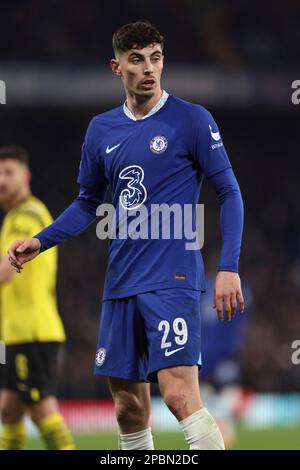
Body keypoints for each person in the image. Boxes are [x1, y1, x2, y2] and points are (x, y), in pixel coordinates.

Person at [7, 21, 244, 450]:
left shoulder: (191, 119)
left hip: (172, 278)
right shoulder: (101, 130)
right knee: (128, 409)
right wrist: (41, 240)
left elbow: (229, 191)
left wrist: (228, 267)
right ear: (117, 67)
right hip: (120, 283)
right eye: (137, 59)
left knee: (178, 394)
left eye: (156, 58)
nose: (149, 68)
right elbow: (86, 203)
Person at [0, 145, 74, 450]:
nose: (1, 180)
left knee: (42, 410)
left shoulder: (27, 215)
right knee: (9, 409)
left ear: (26, 175)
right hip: (17, 331)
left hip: (32, 331)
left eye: (8, 172)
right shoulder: (16, 215)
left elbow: (5, 271)